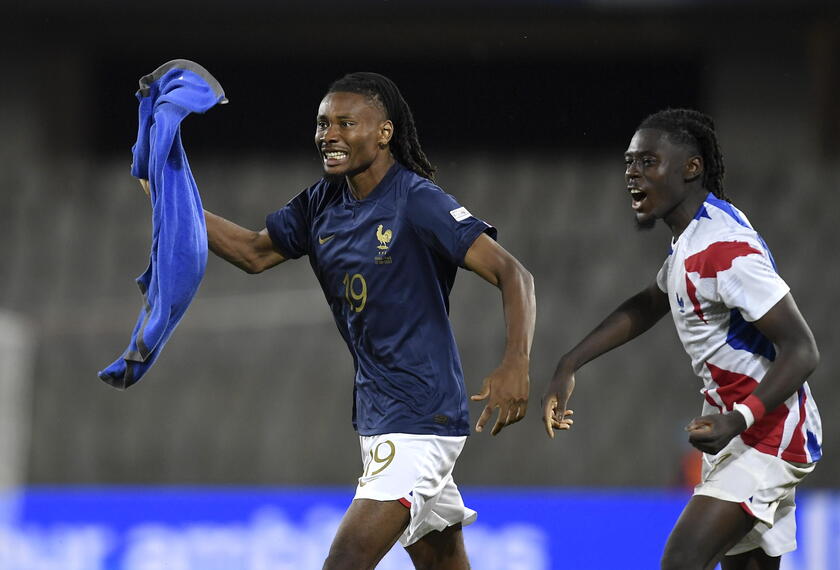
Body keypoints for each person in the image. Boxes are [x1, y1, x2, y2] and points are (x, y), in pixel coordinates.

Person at [140, 71, 534, 569]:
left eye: (346, 123)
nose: (329, 135)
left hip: (420, 416)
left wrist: (515, 362)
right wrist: (166, 196)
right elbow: (251, 252)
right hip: (378, 418)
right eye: (323, 123)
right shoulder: (319, 203)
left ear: (385, 132)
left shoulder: (416, 199)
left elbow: (513, 273)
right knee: (442, 560)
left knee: (345, 560)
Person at [541, 109, 822, 570]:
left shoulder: (724, 249)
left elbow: (803, 349)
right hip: (738, 429)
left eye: (648, 162)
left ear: (691, 167)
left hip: (770, 430)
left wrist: (738, 418)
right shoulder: (691, 239)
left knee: (682, 560)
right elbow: (652, 301)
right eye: (629, 163)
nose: (633, 174)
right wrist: (568, 364)